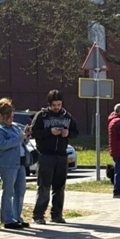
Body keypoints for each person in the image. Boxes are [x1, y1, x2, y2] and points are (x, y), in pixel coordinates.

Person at [30, 90, 79, 224]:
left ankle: (57, 215)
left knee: (59, 187)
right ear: (49, 104)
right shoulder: (42, 116)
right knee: (44, 186)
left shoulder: (67, 116)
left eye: (59, 105)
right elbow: (34, 132)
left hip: (62, 156)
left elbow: (76, 132)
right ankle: (38, 215)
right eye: (54, 105)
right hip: (45, 155)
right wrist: (49, 132)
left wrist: (67, 133)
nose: (57, 107)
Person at [0, 98, 29, 230]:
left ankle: (17, 216)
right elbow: (1, 144)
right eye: (9, 117)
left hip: (19, 162)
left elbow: (22, 141)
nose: (11, 119)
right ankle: (7, 219)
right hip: (7, 163)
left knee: (20, 190)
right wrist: (19, 138)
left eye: (13, 116)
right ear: (1, 116)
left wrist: (26, 135)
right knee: (9, 191)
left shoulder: (14, 127)